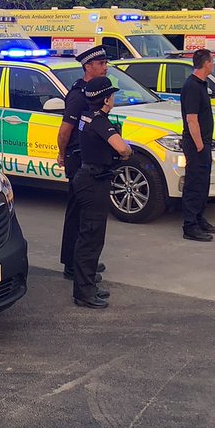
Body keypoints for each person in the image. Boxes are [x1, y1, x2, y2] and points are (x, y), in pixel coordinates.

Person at [70, 76, 132, 309]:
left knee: (89, 236)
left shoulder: (87, 116)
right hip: (94, 181)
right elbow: (122, 147)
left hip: (87, 177)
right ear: (106, 99)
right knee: (91, 237)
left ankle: (87, 285)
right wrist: (126, 154)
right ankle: (84, 293)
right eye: (112, 95)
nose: (114, 98)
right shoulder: (99, 121)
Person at [56, 45, 109, 280]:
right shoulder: (79, 96)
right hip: (78, 159)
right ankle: (72, 264)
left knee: (88, 216)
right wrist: (61, 153)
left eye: (105, 63)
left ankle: (83, 260)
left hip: (88, 158)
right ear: (88, 67)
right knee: (77, 214)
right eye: (101, 64)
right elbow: (64, 131)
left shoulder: (95, 92)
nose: (105, 67)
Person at [180, 49, 215, 241]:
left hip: (203, 143)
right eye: (212, 61)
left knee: (203, 182)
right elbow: (192, 119)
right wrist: (199, 146)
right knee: (194, 183)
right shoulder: (192, 86)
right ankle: (190, 225)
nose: (213, 64)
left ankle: (199, 217)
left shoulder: (202, 84)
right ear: (206, 63)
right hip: (196, 144)